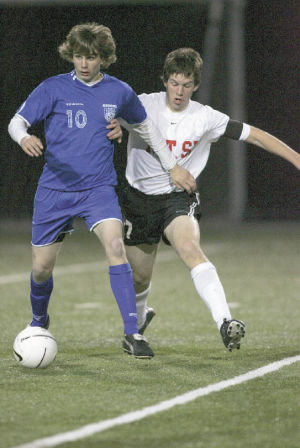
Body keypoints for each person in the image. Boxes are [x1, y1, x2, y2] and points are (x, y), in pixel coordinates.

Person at [8, 25, 196, 360]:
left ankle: (132, 332)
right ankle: (39, 321)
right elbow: (16, 122)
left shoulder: (119, 92)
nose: (84, 63)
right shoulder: (52, 88)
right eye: (79, 55)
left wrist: (171, 167)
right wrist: (24, 137)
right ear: (71, 54)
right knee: (41, 269)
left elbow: (146, 129)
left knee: (115, 246)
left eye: (91, 57)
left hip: (98, 187)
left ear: (103, 58)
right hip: (55, 188)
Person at [118, 48, 300, 352]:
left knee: (190, 247)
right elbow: (105, 115)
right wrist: (112, 126)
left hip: (177, 199)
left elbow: (254, 135)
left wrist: (295, 157)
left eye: (186, 85)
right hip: (138, 200)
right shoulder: (141, 105)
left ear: (196, 86)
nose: (179, 91)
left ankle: (225, 322)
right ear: (164, 81)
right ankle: (137, 322)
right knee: (139, 276)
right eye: (174, 83)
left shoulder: (205, 117)